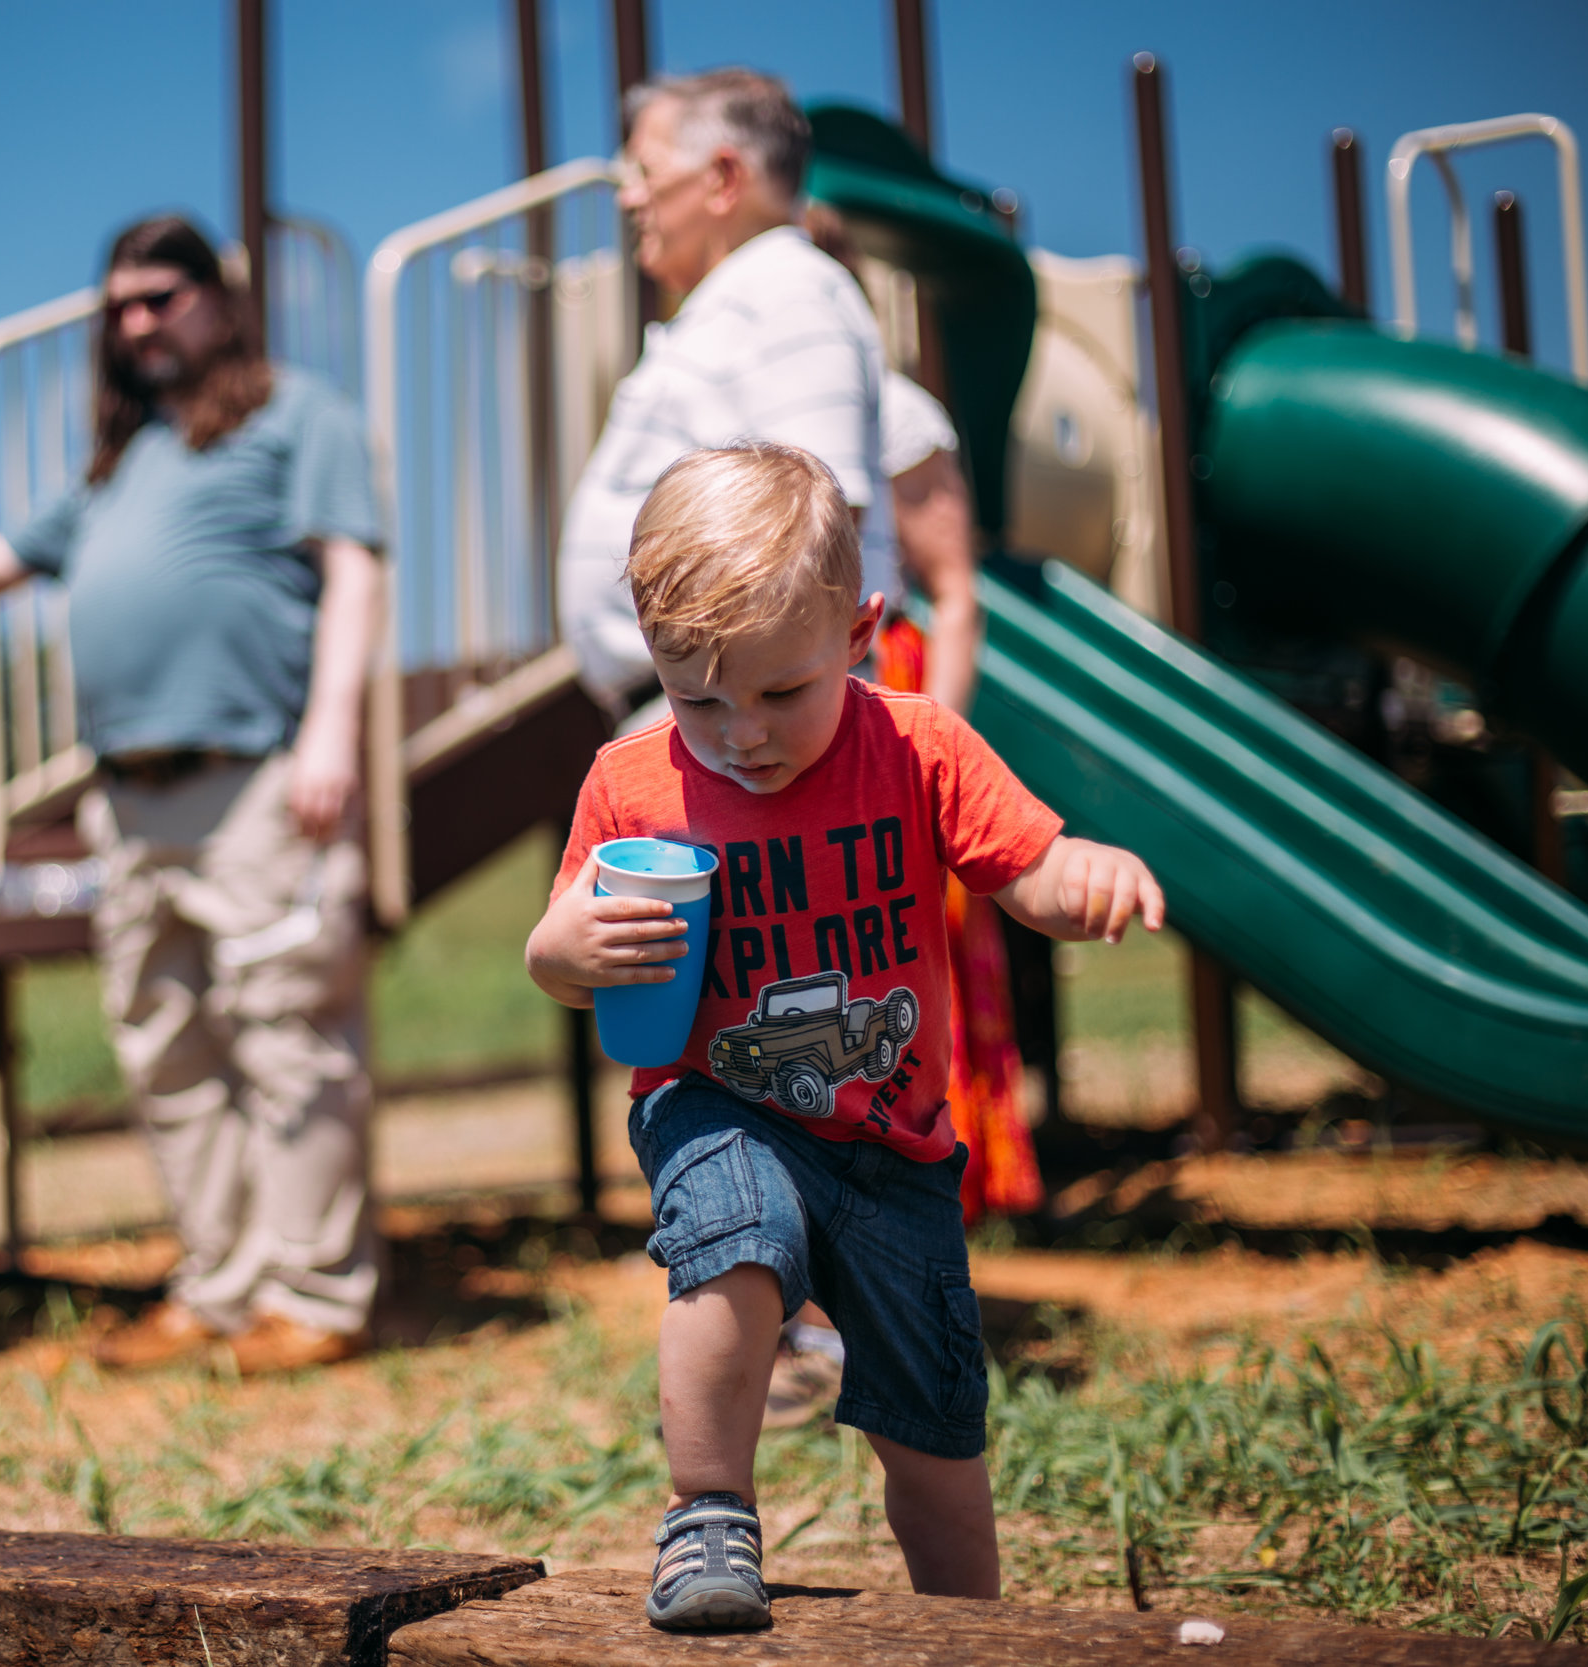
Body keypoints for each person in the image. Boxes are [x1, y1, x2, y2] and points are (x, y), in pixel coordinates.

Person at [525, 443, 1162, 1629]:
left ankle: (967, 1619)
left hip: (895, 1139)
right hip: (717, 1093)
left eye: (779, 692)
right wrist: (569, 952)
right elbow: (556, 946)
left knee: (931, 1426)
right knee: (739, 1234)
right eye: (697, 696)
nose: (741, 734)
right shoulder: (630, 781)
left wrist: (1084, 877)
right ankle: (707, 1510)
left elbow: (1025, 865)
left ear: (860, 629)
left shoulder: (916, 746)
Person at [0, 215, 384, 1376]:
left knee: (291, 1039)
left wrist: (329, 733)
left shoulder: (298, 415)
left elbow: (352, 570)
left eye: (162, 297)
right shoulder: (123, 460)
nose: (137, 322)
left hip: (259, 777)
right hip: (129, 800)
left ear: (221, 299)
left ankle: (315, 1296)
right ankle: (218, 1290)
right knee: (166, 1051)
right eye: (120, 306)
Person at [763, 369, 1043, 1430]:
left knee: (914, 1000)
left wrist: (933, 751)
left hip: (884, 705)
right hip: (799, 703)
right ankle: (825, 1308)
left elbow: (954, 586)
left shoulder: (897, 411)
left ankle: (905, 1284)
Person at [560, 68, 892, 721]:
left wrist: (758, 715)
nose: (629, 199)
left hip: (745, 719)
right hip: (722, 706)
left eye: (644, 173)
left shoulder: (786, 292)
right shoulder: (752, 298)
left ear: (722, 178)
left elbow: (818, 528)